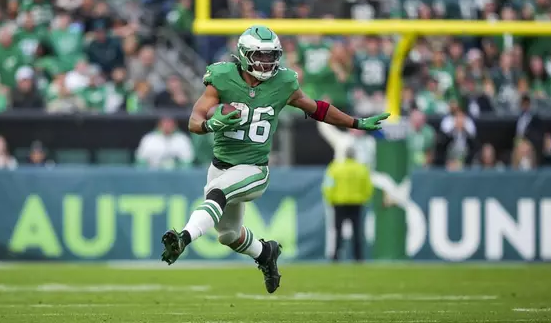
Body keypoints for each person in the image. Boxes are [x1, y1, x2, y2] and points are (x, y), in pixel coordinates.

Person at [160, 25, 388, 294]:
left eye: (272, 56)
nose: (267, 63)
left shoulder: (284, 82)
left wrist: (356, 122)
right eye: (261, 56)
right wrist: (211, 124)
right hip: (221, 165)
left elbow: (317, 109)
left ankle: (183, 239)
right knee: (229, 235)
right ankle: (265, 253)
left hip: (254, 169)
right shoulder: (221, 77)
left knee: (216, 193)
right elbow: (194, 120)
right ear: (245, 55)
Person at [322, 146, 373, 262]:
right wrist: (364, 198)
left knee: (338, 231)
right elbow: (368, 187)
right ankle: (358, 257)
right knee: (358, 231)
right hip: (356, 203)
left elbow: (328, 185)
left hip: (339, 203)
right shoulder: (361, 169)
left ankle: (336, 256)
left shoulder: (335, 168)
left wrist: (331, 199)